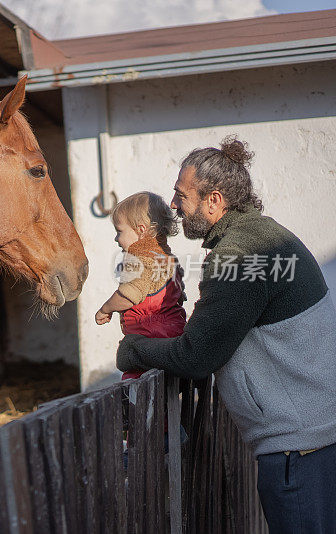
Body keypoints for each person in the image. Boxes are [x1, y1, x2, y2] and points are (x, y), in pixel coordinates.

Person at [116, 136, 336, 533]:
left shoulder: (239, 256)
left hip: (298, 451)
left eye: (182, 196)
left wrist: (134, 350)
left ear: (214, 200)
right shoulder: (266, 234)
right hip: (318, 440)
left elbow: (197, 355)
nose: (173, 206)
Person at [95, 191, 187, 379]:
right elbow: (179, 294)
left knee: (135, 385)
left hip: (148, 338)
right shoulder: (166, 257)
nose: (116, 239)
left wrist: (106, 308)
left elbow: (129, 294)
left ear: (141, 230)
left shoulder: (138, 258)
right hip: (173, 335)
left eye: (119, 231)